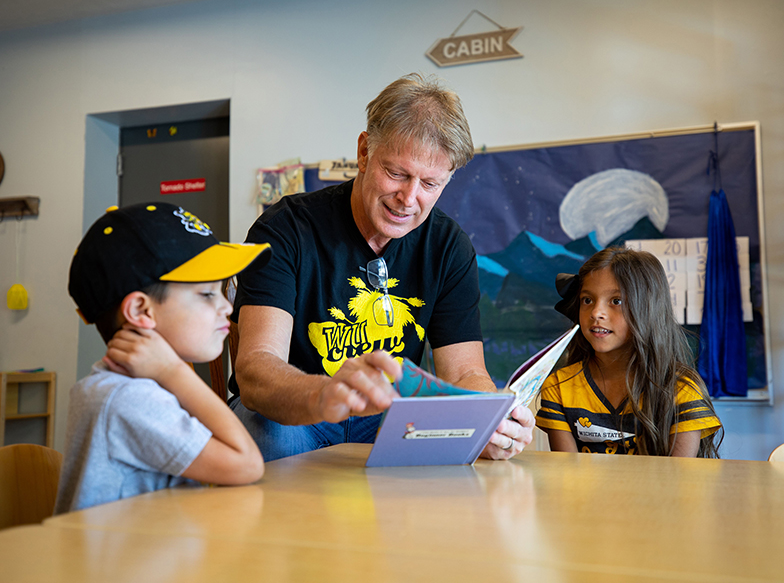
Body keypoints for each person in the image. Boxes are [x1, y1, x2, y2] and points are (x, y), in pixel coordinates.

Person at [229, 73, 535, 461]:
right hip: (295, 409)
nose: (409, 199)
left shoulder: (447, 246)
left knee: (452, 456)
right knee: (275, 438)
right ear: (363, 152)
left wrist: (490, 417)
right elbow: (256, 371)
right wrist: (325, 394)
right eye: (396, 173)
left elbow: (464, 374)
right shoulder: (286, 228)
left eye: (430, 184)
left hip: (388, 414)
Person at [56, 202, 271, 513]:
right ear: (142, 311)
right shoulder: (128, 397)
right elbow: (246, 464)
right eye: (207, 294)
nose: (227, 308)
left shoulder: (130, 386)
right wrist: (175, 372)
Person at [536, 247, 723, 457]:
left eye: (616, 301)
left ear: (648, 309)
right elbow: (567, 475)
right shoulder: (559, 387)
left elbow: (678, 480)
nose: (596, 312)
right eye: (587, 300)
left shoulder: (681, 390)